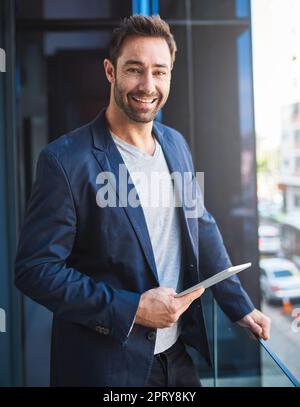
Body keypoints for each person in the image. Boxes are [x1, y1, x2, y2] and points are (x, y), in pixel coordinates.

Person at [15, 14, 271, 387]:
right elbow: (35, 269)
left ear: (170, 74)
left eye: (159, 72)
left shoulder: (175, 145)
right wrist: (132, 309)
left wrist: (239, 305)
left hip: (176, 357)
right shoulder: (65, 160)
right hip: (107, 367)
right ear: (110, 71)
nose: (147, 85)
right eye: (134, 69)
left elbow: (200, 226)